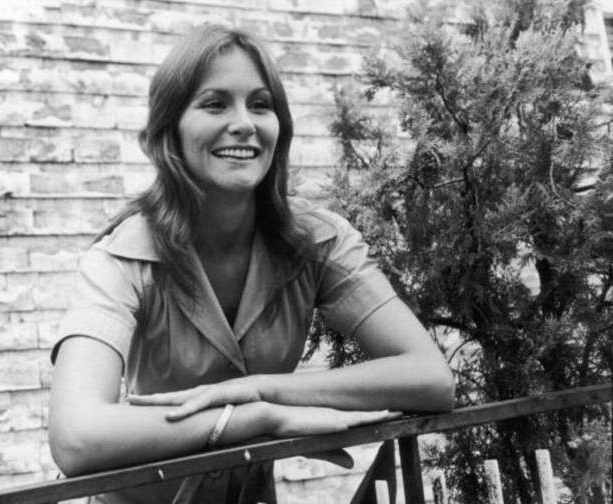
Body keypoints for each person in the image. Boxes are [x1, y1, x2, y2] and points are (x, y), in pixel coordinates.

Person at [48, 24, 454, 504]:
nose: (244, 123)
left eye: (260, 104)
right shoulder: (121, 259)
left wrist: (263, 389)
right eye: (214, 104)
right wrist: (255, 417)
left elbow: (430, 378)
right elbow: (76, 437)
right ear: (168, 132)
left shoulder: (319, 242)